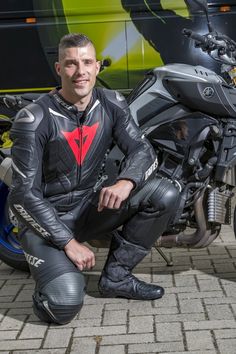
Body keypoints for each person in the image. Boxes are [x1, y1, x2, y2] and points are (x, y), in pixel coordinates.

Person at [9, 33, 179, 325]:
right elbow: (23, 195)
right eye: (72, 64)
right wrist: (68, 243)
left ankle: (116, 278)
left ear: (97, 67)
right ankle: (50, 277)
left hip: (90, 209)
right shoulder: (34, 118)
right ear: (59, 68)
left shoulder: (112, 103)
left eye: (87, 62)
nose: (81, 71)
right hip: (46, 222)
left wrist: (126, 182)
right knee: (60, 307)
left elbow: (142, 149)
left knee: (164, 192)